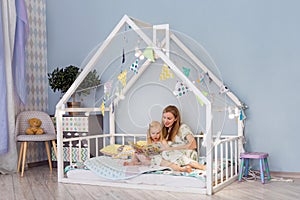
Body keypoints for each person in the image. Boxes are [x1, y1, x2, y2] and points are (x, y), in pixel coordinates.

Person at [124, 121, 194, 172]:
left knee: (159, 160)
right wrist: (142, 150)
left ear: (161, 133)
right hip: (149, 159)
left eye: (158, 133)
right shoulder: (150, 141)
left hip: (158, 158)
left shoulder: (162, 141)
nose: (155, 135)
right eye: (153, 133)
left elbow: (167, 150)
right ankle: (133, 162)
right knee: (136, 153)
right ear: (149, 133)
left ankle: (180, 169)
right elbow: (148, 151)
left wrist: (162, 149)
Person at [152, 105, 206, 171]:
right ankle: (181, 168)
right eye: (164, 117)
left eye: (169, 118)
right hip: (171, 154)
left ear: (176, 118)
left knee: (166, 153)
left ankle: (197, 165)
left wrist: (171, 148)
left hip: (186, 154)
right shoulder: (164, 130)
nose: (165, 121)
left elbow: (193, 145)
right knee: (155, 157)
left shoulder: (182, 128)